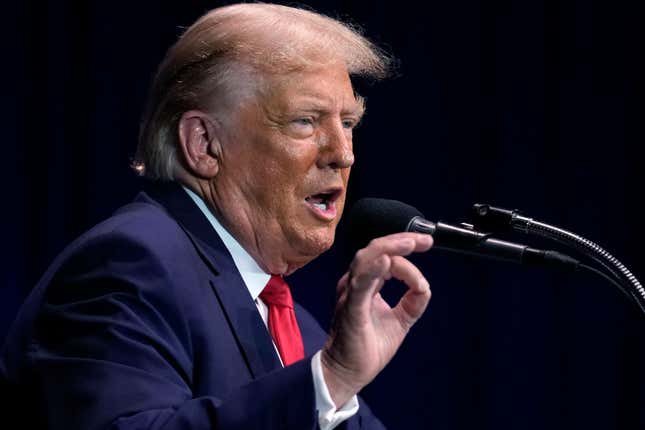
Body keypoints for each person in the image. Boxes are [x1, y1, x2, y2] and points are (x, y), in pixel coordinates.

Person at [0, 3, 433, 429]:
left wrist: (333, 382)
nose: (342, 154)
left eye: (348, 123)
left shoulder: (301, 329)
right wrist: (332, 378)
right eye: (305, 121)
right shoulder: (130, 266)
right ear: (204, 144)